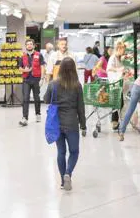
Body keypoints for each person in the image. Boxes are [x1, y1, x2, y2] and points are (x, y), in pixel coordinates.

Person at [43, 57, 86, 191]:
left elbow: (45, 100)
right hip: (72, 123)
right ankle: (68, 173)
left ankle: (63, 181)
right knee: (74, 152)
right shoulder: (77, 85)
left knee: (61, 152)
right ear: (74, 69)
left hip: (57, 123)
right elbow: (81, 107)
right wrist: (83, 125)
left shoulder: (53, 84)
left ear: (60, 69)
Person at [18, 39, 46, 126]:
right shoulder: (23, 56)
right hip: (26, 80)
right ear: (26, 46)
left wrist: (42, 78)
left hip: (36, 79)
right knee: (25, 98)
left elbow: (42, 67)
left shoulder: (39, 55)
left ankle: (38, 114)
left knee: (36, 98)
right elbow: (19, 68)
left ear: (34, 46)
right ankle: (25, 118)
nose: (29, 46)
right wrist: (24, 69)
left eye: (31, 44)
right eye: (27, 44)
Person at [107, 41, 126, 130]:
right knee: (117, 102)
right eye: (123, 49)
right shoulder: (113, 57)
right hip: (114, 83)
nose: (124, 51)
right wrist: (119, 69)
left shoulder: (118, 57)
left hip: (118, 82)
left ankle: (116, 121)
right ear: (119, 49)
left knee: (119, 103)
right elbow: (109, 68)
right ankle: (114, 122)